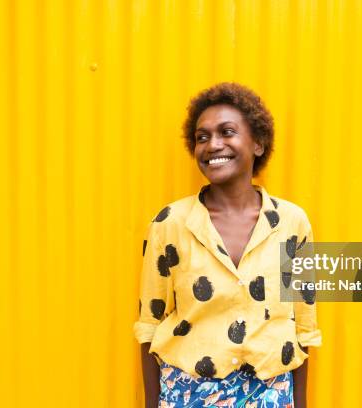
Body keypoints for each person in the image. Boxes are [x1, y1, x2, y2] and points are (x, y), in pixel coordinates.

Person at [134, 82, 321, 407]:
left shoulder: (292, 224)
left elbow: (304, 327)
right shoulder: (170, 223)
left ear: (258, 144)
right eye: (202, 137)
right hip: (188, 394)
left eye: (227, 132)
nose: (212, 145)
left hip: (270, 393)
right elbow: (150, 323)